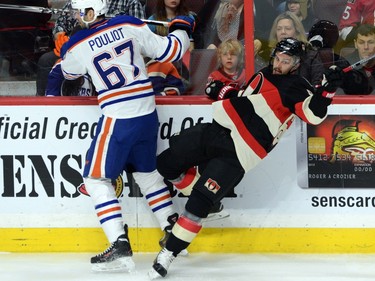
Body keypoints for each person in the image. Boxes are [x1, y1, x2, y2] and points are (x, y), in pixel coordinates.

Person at [148, 37, 344, 279]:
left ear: (295, 63)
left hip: (239, 152)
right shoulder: (262, 74)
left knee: (197, 205)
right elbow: (244, 98)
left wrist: (327, 90)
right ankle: (212, 203)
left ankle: (169, 253)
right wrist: (223, 90)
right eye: (278, 58)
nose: (279, 64)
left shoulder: (298, 87)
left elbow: (313, 114)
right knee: (165, 164)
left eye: (286, 61)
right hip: (216, 130)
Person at [59, 0, 194, 271]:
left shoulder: (76, 43)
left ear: (90, 11)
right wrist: (182, 27)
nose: (75, 15)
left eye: (79, 10)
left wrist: (64, 45)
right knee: (146, 172)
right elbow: (172, 50)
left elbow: (69, 72)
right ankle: (172, 228)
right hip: (146, 112)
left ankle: (119, 244)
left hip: (119, 116)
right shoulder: (128, 23)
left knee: (96, 179)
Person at [36, 0, 145, 96]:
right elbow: (60, 23)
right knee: (46, 60)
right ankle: (43, 102)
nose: (76, 16)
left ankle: (94, 100)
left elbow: (138, 35)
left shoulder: (130, 2)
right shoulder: (78, 2)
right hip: (74, 46)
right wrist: (60, 36)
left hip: (110, 50)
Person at [259, 11, 324, 86]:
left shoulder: (311, 57)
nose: (282, 32)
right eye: (279, 29)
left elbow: (317, 88)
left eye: (288, 28)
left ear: (297, 32)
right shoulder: (269, 55)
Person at [341, 24, 375, 95]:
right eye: (361, 42)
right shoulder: (345, 65)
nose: (366, 47)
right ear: (355, 44)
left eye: (371, 42)